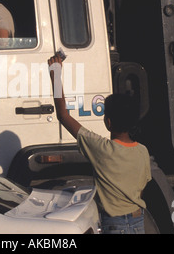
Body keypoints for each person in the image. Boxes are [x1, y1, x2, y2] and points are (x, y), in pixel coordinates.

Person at [48, 54, 152, 234]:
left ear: (108, 122)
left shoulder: (102, 149)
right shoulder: (142, 151)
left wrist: (55, 75)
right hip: (138, 221)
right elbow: (141, 189)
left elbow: (63, 116)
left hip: (114, 224)